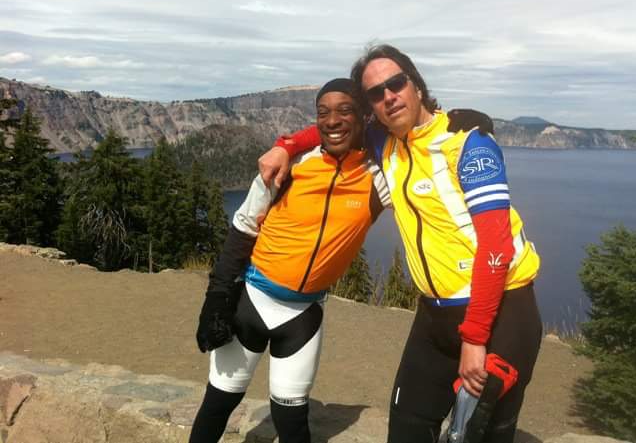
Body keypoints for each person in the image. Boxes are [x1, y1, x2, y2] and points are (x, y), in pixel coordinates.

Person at [259, 45, 542, 443]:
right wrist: (285, 146)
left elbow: (497, 247)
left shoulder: (467, 145)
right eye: (375, 93)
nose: (388, 96)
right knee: (407, 429)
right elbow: (333, 128)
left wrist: (475, 339)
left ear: (416, 85)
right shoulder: (384, 141)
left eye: (396, 83)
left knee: (479, 435)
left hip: (501, 313)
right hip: (434, 314)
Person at [190, 78, 389, 443]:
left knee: (292, 422)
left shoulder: (378, 179)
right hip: (252, 302)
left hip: (302, 315)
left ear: (363, 116)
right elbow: (243, 228)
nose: (333, 121)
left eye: (345, 110)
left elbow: (417, 149)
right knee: (218, 403)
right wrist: (216, 300)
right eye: (323, 113)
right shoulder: (290, 165)